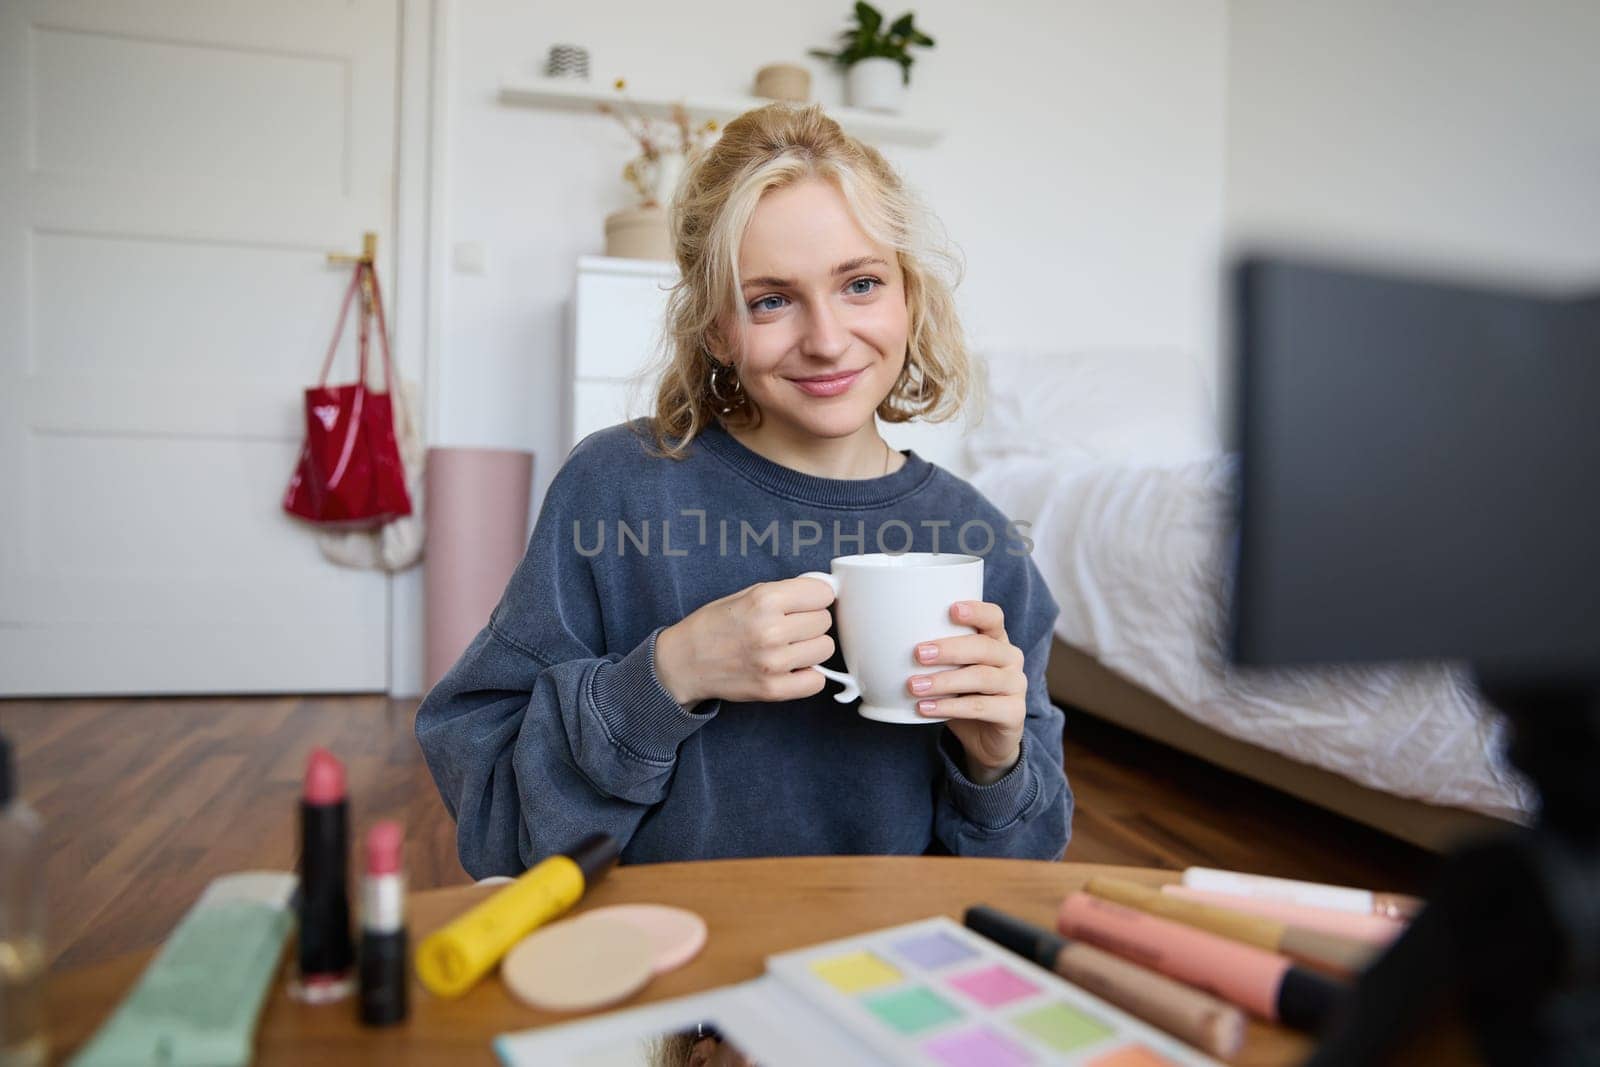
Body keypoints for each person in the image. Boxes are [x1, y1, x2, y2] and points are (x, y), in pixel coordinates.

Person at [416, 103, 1072, 878]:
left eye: (861, 283)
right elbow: (495, 817)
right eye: (771, 299)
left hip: (879, 964)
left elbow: (1023, 871)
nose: (826, 339)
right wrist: (666, 676)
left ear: (910, 297)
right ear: (718, 327)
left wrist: (997, 761)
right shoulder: (617, 490)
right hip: (659, 950)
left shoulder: (982, 542)